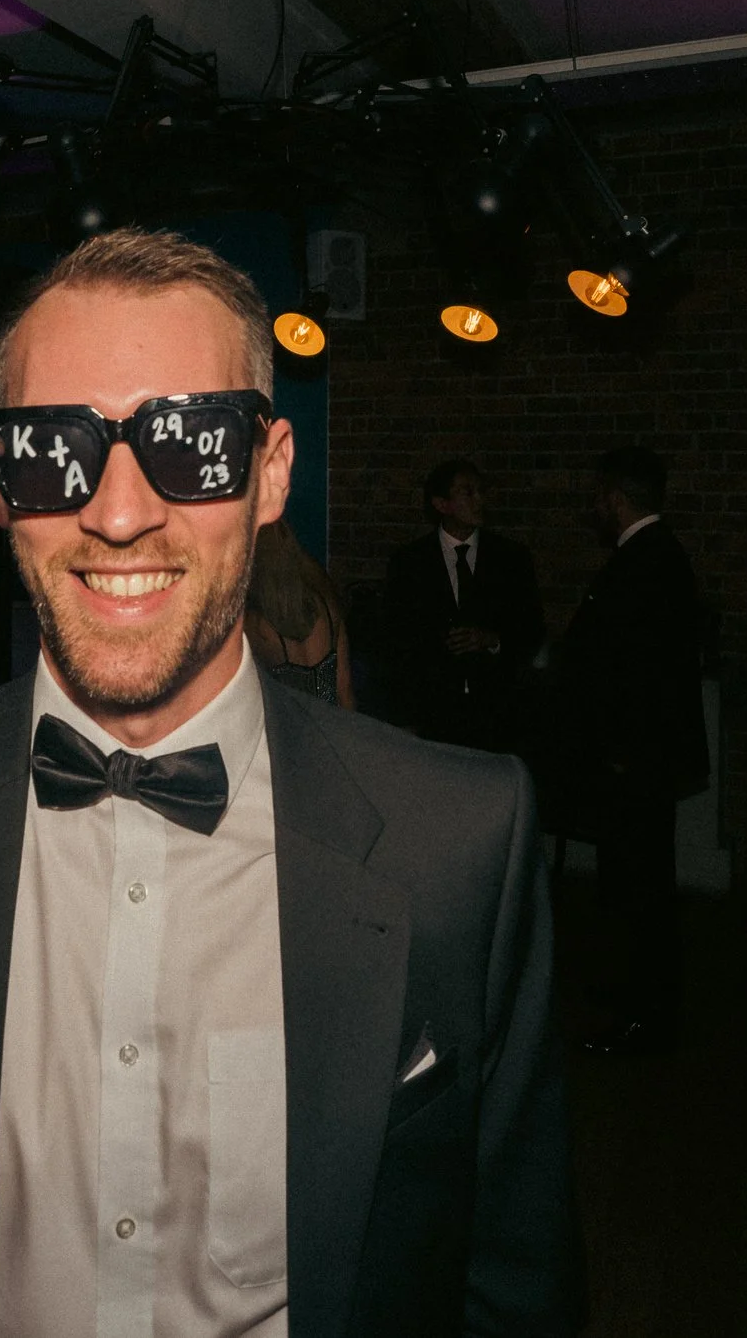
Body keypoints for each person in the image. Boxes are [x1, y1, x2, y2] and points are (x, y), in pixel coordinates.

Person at [0, 229, 583, 1338]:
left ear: (272, 471)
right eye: (53, 449)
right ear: (0, 485)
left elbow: (513, 1289)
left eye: (189, 443)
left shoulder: (458, 840)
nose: (119, 511)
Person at [555, 446, 705, 1056]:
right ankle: (635, 1000)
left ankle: (644, 1017)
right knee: (634, 884)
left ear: (617, 498)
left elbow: (637, 671)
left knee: (639, 888)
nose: (594, 508)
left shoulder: (644, 561)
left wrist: (619, 750)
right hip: (640, 759)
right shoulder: (657, 556)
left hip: (634, 762)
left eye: (599, 497)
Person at [381, 459, 545, 749]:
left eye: (481, 491)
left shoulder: (510, 558)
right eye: (468, 493)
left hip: (496, 713)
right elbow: (396, 641)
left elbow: (532, 629)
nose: (479, 500)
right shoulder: (411, 563)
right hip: (434, 713)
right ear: (442, 504)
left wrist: (492, 640)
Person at [245, 517, 355, 708]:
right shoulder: (328, 608)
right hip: (329, 727)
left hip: (289, 732)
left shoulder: (256, 626)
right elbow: (344, 693)